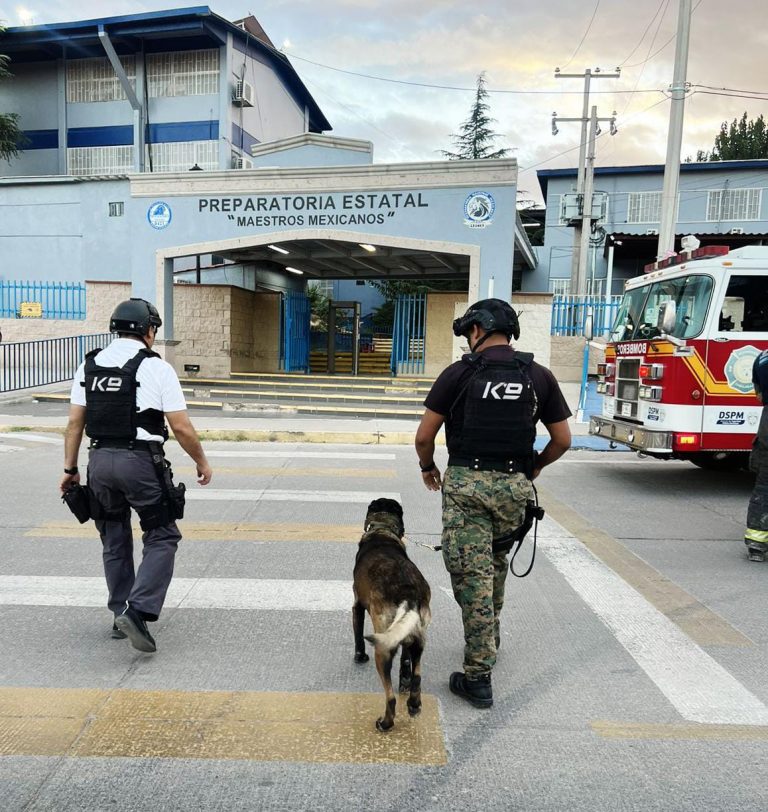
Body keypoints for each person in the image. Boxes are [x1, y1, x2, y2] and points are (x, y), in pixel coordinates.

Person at [415, 298, 571, 708]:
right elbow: (563, 440)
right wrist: (532, 468)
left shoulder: (458, 374)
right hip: (514, 489)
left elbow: (423, 436)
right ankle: (491, 640)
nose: (468, 339)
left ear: (478, 330)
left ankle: (478, 676)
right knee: (494, 562)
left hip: (467, 486)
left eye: (468, 331)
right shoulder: (538, 375)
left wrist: (427, 466)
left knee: (473, 577)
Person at [59, 297, 213, 652]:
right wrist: (202, 462)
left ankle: (119, 612)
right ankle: (138, 610)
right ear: (148, 330)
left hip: (98, 461)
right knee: (162, 534)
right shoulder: (156, 368)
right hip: (140, 462)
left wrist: (70, 469)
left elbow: (74, 423)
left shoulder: (90, 365)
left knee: (113, 536)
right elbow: (182, 428)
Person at [745, 348, 768, 561]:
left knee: (764, 488)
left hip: (766, 431)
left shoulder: (762, 358)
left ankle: (756, 545)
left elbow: (759, 394)